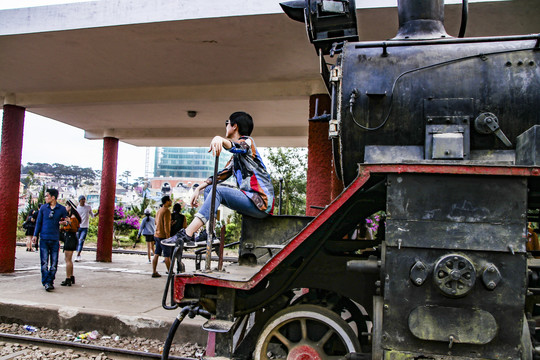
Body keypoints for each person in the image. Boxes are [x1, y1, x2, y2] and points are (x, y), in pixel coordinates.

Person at [162, 111, 274, 249]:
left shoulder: (248, 143)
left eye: (227, 123)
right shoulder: (237, 158)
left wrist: (219, 139)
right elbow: (221, 175)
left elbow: (237, 147)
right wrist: (198, 188)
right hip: (251, 201)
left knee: (218, 192)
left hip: (260, 202)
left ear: (234, 126)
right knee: (210, 189)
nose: (226, 126)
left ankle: (187, 234)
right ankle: (209, 232)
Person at [32, 189, 68, 292]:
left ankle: (49, 281)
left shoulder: (61, 209)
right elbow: (39, 222)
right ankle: (47, 282)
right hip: (43, 238)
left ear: (53, 197)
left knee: (54, 264)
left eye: (47, 196)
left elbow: (66, 221)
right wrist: (35, 235)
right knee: (44, 263)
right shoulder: (43, 208)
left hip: (55, 239)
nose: (45, 197)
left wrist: (65, 223)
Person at [60, 200, 81, 286]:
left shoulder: (72, 218)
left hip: (69, 238)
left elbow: (70, 228)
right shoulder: (75, 217)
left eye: (67, 206)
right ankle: (71, 276)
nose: (65, 207)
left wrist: (64, 225)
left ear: (70, 207)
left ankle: (68, 278)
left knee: (67, 259)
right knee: (69, 259)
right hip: (72, 238)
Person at [151, 196, 172, 278]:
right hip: (163, 236)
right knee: (167, 255)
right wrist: (168, 237)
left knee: (156, 253)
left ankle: (154, 271)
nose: (171, 202)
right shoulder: (166, 211)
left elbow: (156, 222)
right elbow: (166, 225)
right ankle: (170, 272)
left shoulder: (159, 210)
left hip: (157, 234)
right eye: (170, 201)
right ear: (166, 202)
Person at [75, 195, 96, 262]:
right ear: (79, 201)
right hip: (78, 227)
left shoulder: (88, 207)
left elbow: (92, 215)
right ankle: (77, 253)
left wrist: (98, 212)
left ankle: (78, 254)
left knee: (81, 240)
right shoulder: (77, 208)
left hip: (85, 227)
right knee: (77, 241)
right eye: (82, 199)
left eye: (84, 199)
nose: (83, 201)